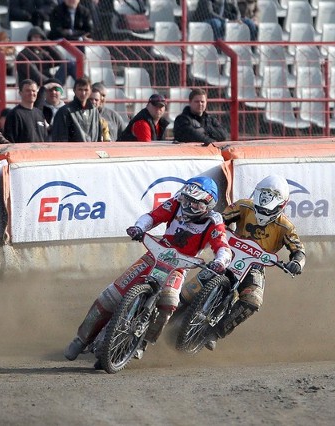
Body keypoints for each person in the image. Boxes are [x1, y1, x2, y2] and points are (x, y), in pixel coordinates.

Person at [64, 176, 232, 363]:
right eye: (186, 199)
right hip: (154, 255)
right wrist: (138, 227)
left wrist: (220, 261)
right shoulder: (175, 204)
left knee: (169, 303)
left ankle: (144, 341)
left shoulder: (213, 221)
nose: (187, 206)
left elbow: (222, 246)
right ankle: (81, 339)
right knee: (109, 297)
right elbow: (152, 217)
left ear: (207, 205)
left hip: (178, 266)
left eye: (194, 203)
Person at [183, 175, 305, 351]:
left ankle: (214, 334)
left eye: (268, 210)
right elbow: (220, 220)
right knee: (187, 294)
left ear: (281, 205)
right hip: (228, 255)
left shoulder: (286, 227)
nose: (262, 212)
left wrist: (297, 263)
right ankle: (163, 314)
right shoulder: (243, 206)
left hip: (254, 267)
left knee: (253, 300)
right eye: (259, 207)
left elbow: (299, 250)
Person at [51, 76, 102, 142]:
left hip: (91, 151)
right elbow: (60, 139)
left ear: (90, 91)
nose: (83, 93)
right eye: (80, 89)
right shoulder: (64, 112)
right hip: (72, 151)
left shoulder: (94, 111)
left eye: (86, 90)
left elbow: (98, 136)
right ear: (74, 90)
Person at [3, 79, 48, 143]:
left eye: (34, 91)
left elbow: (45, 138)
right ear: (20, 93)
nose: (31, 93)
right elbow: (10, 140)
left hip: (40, 152)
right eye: (28, 91)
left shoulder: (39, 113)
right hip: (22, 152)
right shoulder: (14, 114)